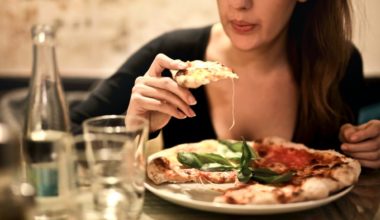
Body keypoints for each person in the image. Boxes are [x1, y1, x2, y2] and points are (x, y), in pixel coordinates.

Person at [71, 0, 380, 169]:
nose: (239, 4)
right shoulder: (172, 57)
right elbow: (62, 143)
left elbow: (342, 176)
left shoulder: (339, 63)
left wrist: (368, 149)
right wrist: (132, 131)